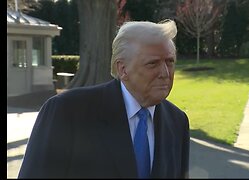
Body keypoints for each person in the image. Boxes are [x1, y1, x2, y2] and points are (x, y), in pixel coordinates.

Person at [18, 19, 190, 178]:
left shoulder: (177, 121)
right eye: (153, 63)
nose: (165, 73)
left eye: (170, 62)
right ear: (123, 69)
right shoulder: (67, 111)